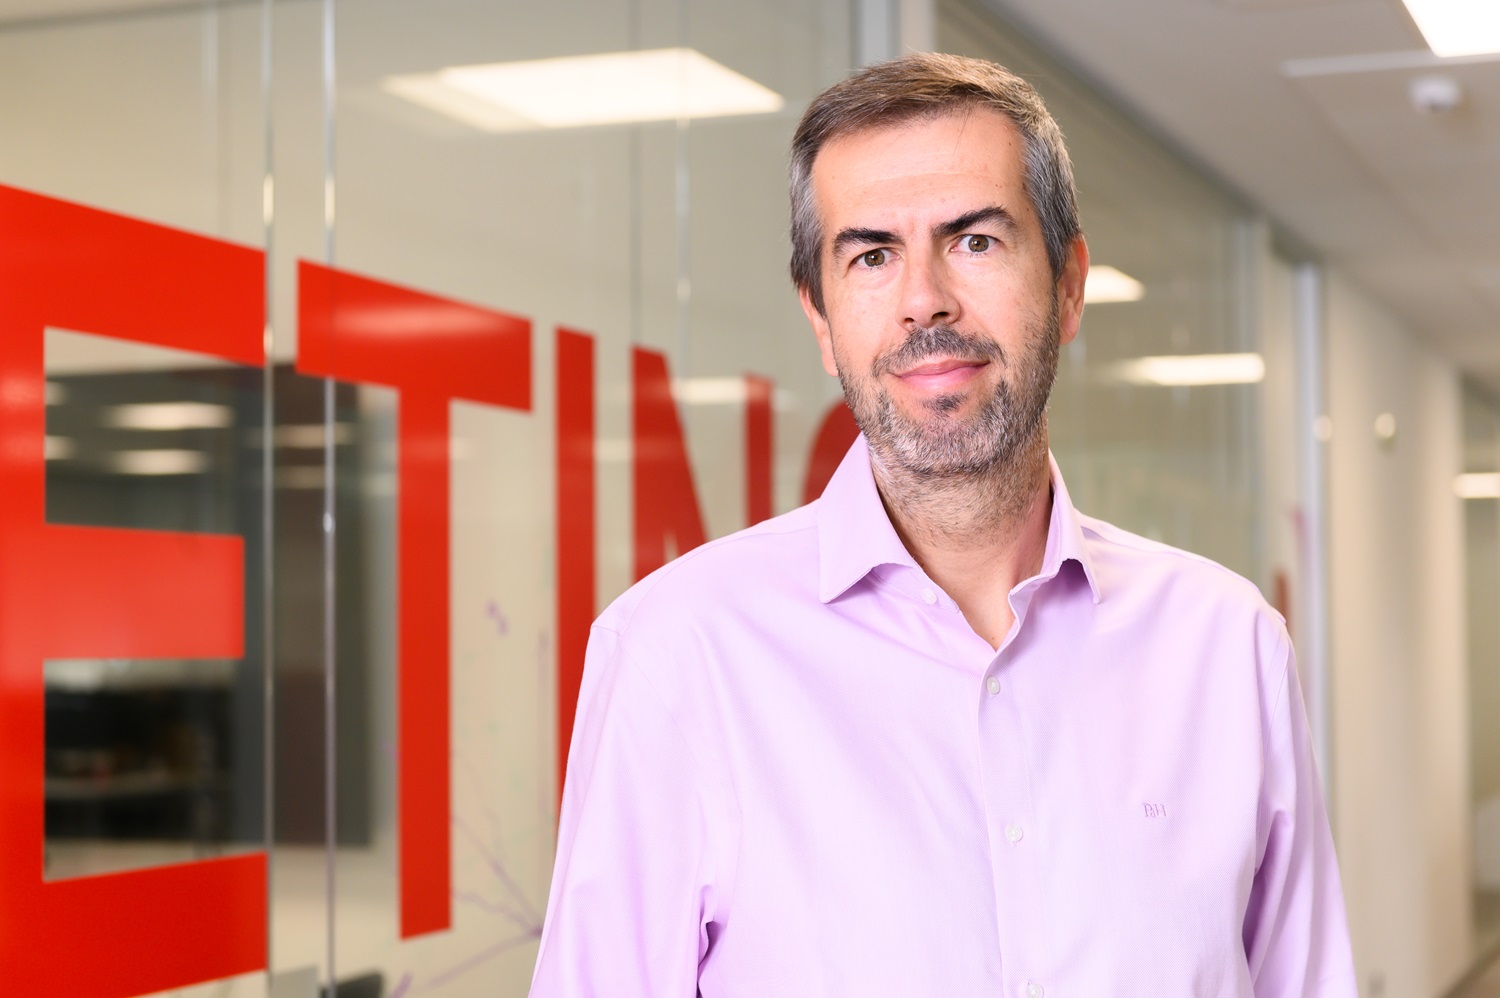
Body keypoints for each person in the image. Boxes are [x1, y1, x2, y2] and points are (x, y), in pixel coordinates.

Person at [530, 53, 1356, 996]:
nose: (924, 299)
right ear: (822, 318)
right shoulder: (678, 656)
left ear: (1070, 283)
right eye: (872, 255)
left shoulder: (1227, 647)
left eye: (974, 240)